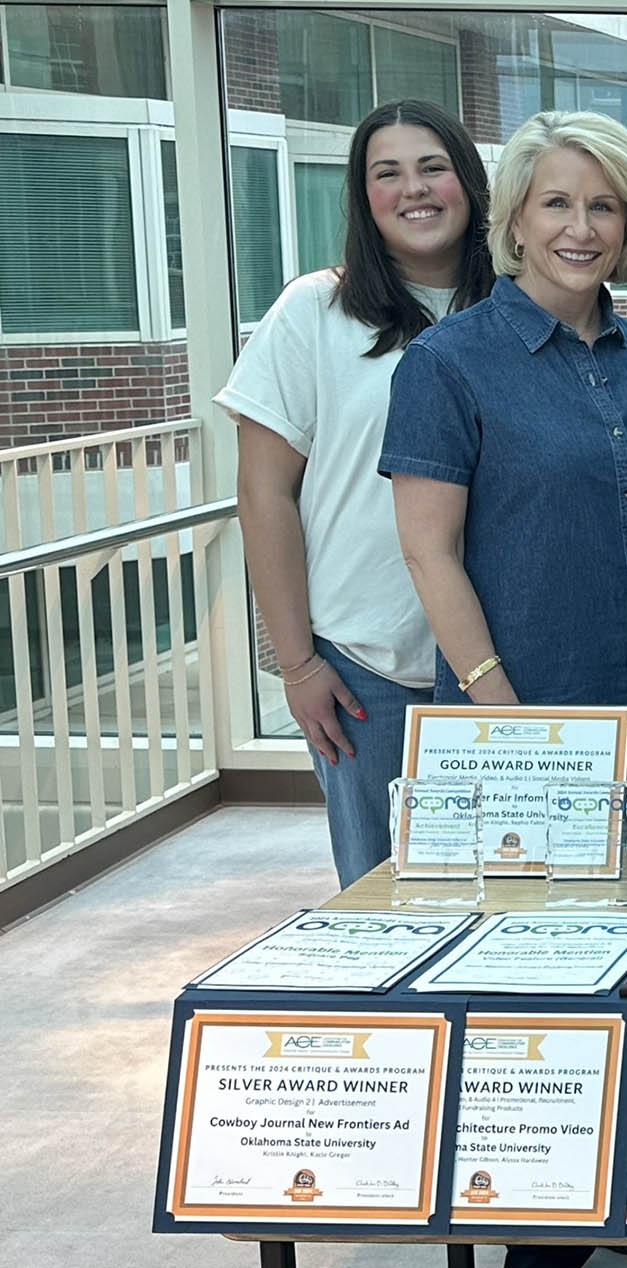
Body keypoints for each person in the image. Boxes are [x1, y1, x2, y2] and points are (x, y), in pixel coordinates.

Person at [382, 109, 627, 818]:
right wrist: (501, 712)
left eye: (603, 207)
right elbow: (429, 555)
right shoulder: (445, 364)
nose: (580, 230)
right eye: (556, 204)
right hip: (527, 731)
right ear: (515, 222)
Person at [222, 100, 492, 889]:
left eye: (433, 167)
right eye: (388, 173)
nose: (415, 189)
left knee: (515, 899)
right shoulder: (313, 310)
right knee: (386, 905)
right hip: (368, 669)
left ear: (469, 183)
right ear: (362, 194)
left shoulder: (517, 310)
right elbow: (264, 494)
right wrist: (299, 663)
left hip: (505, 662)